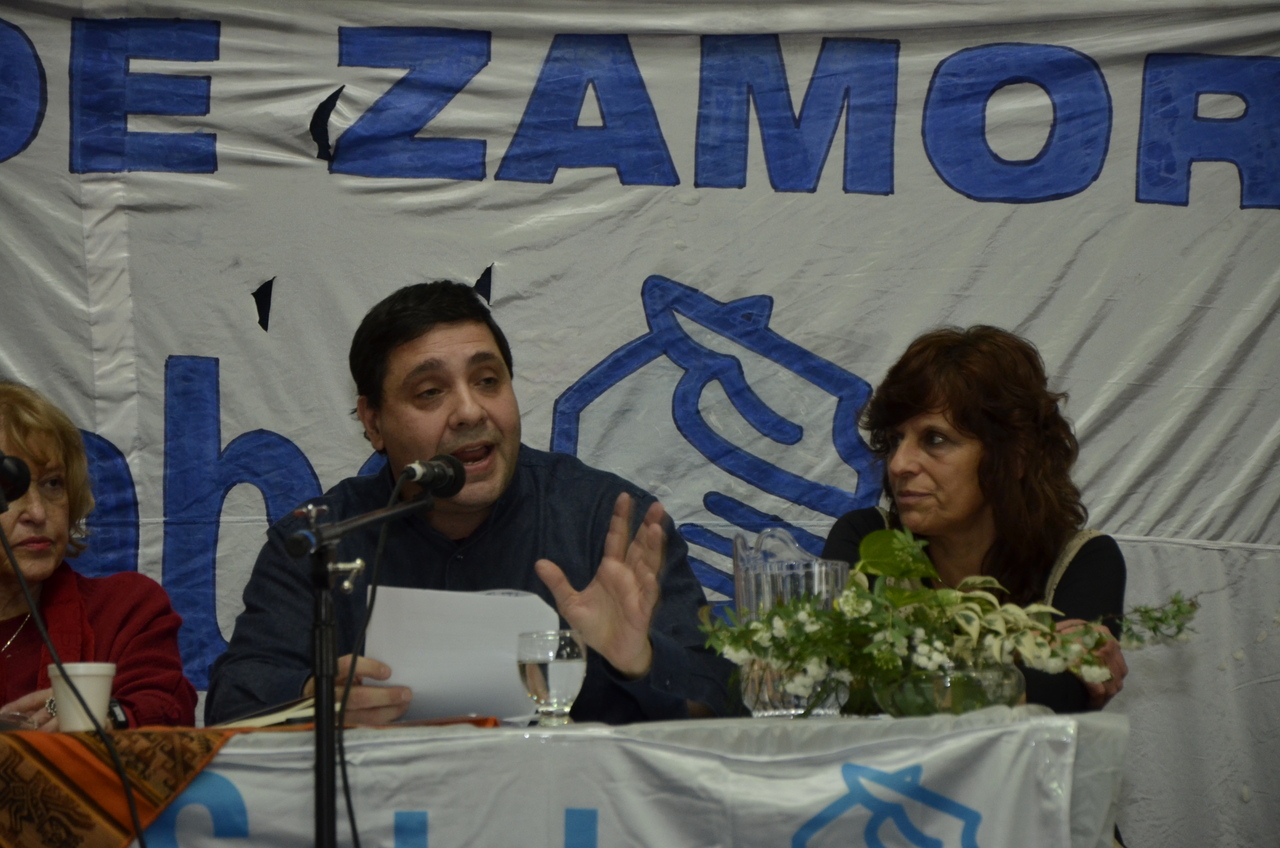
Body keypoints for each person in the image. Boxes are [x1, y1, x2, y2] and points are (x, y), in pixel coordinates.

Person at [204, 280, 732, 725]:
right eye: (430, 392)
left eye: (487, 381)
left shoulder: (606, 523)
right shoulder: (321, 540)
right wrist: (313, 699)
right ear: (373, 422)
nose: (470, 411)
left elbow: (727, 705)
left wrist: (641, 660)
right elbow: (233, 703)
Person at [822, 326, 1128, 712]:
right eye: (897, 439)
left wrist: (908, 680)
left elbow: (1063, 691)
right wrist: (1016, 664)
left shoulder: (1083, 561)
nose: (899, 464)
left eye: (934, 439)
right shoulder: (866, 539)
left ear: (1014, 456)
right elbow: (843, 682)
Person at [0, 382, 196, 729]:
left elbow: (168, 710)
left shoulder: (123, 610)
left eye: (52, 484)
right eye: (8, 488)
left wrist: (107, 718)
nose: (38, 513)